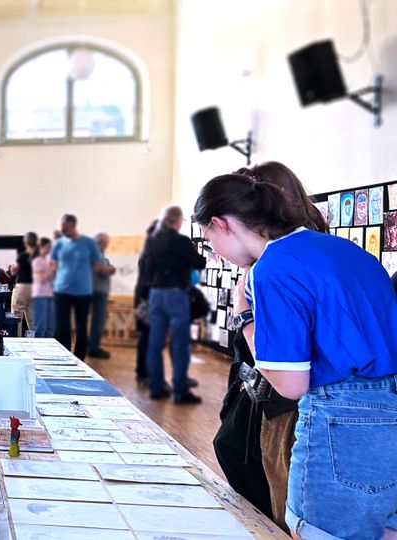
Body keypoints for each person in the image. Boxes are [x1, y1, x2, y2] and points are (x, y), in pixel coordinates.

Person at [195, 167, 397, 540]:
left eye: (210, 241)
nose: (217, 254)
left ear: (220, 223)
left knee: (315, 531)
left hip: (340, 417)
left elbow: (290, 384)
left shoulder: (271, 267)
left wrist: (244, 316)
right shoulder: (342, 249)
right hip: (388, 407)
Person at [210, 162, 328, 534]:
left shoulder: (278, 264)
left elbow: (281, 361)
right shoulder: (278, 259)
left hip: (284, 402)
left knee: (282, 496)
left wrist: (243, 314)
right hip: (262, 394)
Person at [143, 205, 206, 403]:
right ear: (177, 220)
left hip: (155, 294)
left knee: (155, 344)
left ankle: (156, 387)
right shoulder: (181, 241)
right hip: (176, 295)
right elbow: (199, 262)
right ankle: (180, 391)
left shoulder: (152, 239)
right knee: (179, 344)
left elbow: (146, 267)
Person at [49, 214, 102, 359]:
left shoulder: (89, 243)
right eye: (61, 229)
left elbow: (97, 263)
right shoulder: (58, 244)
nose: (62, 231)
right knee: (62, 327)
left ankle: (79, 359)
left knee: (81, 327)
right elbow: (52, 263)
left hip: (83, 292)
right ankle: (64, 357)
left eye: (64, 228)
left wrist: (85, 276)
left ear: (72, 225)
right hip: (61, 291)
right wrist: (61, 275)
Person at [134, 220, 158, 385]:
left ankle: (145, 373)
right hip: (148, 298)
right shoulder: (152, 253)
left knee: (148, 337)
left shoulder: (149, 250)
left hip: (146, 297)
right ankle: (145, 373)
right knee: (148, 337)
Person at [88, 231, 116, 359]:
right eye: (106, 241)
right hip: (97, 291)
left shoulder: (98, 253)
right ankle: (93, 348)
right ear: (100, 241)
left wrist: (109, 267)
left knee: (98, 320)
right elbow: (102, 270)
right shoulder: (95, 253)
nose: (107, 244)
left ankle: (93, 345)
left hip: (97, 291)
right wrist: (111, 269)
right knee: (98, 320)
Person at [10, 232, 37, 332]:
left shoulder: (23, 256)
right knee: (32, 318)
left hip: (22, 286)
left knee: (16, 315)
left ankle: (16, 337)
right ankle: (35, 338)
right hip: (34, 287)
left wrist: (12, 270)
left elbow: (14, 270)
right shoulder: (39, 256)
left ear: (26, 242)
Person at [30, 237, 55, 338]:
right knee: (40, 326)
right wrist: (51, 269)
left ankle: (49, 346)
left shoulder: (48, 261)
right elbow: (40, 279)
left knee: (51, 327)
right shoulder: (37, 261)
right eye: (48, 246)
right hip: (40, 295)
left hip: (50, 295)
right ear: (42, 247)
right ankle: (37, 346)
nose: (50, 249)